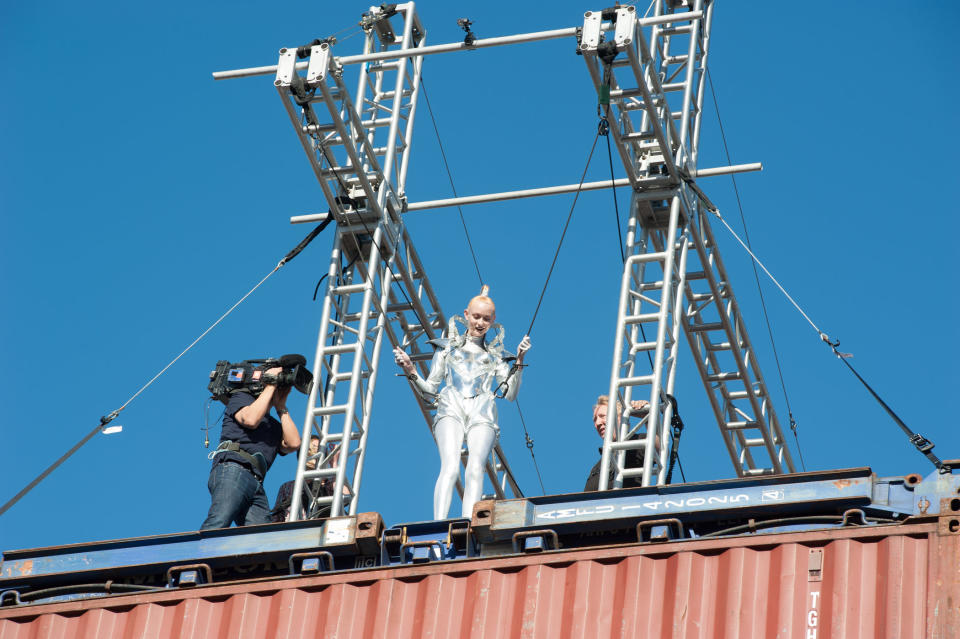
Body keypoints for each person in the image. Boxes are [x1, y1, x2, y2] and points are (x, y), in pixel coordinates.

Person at [394, 287, 531, 519]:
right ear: (466, 314)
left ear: (493, 320)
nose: (480, 323)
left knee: (476, 468)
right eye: (476, 316)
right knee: (450, 466)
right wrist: (411, 370)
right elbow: (429, 391)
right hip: (451, 407)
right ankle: (439, 522)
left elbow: (509, 394)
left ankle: (468, 522)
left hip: (482, 411)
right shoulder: (447, 348)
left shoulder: (497, 356)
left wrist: (519, 361)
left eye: (486, 318)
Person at [200, 368, 301, 530]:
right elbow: (251, 419)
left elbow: (294, 443)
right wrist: (270, 386)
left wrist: (281, 407)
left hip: (255, 481)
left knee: (262, 535)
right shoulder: (239, 398)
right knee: (220, 520)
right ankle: (202, 552)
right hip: (233, 468)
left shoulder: (274, 426)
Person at [584, 394, 650, 491]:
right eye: (595, 419)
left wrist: (648, 417)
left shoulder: (637, 442)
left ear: (619, 417)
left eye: (602, 416)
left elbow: (660, 449)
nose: (597, 423)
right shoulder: (597, 467)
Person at [270, 435, 332, 522]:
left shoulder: (328, 484)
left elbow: (344, 499)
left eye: (317, 450)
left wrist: (335, 464)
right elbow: (277, 518)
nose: (313, 455)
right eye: (309, 450)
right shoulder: (288, 487)